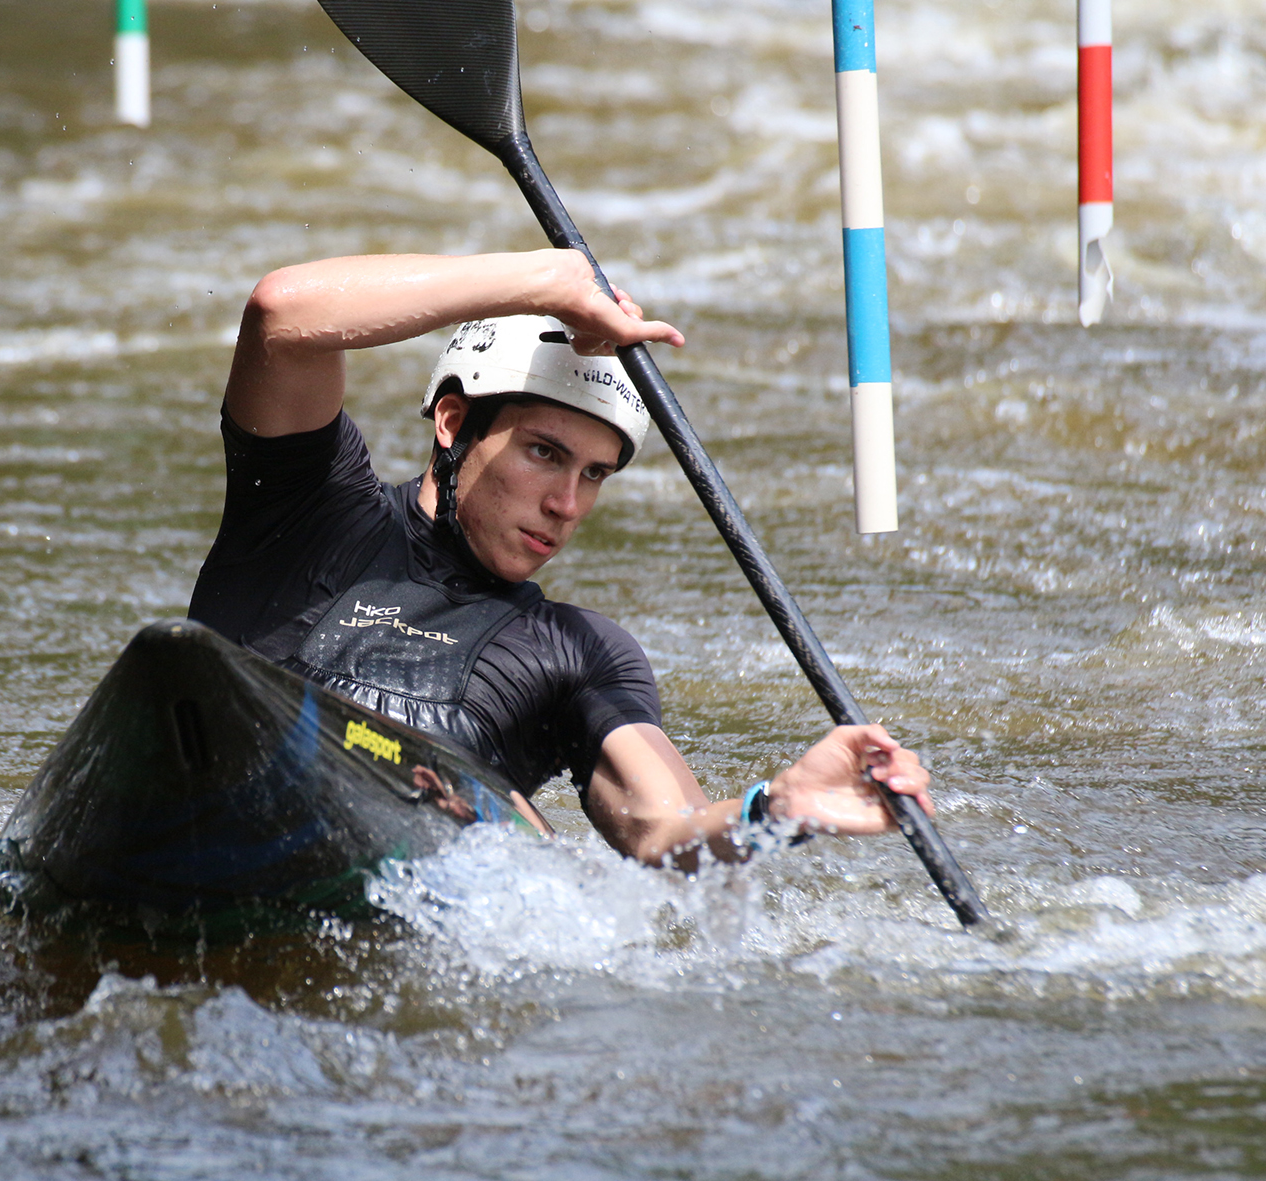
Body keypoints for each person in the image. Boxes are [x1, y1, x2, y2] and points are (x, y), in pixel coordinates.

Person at [187, 249, 932, 870]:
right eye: (544, 453)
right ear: (453, 421)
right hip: (204, 800)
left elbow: (663, 835)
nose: (567, 503)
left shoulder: (577, 653)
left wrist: (779, 809)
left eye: (594, 474)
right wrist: (548, 282)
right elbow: (280, 314)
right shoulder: (307, 504)